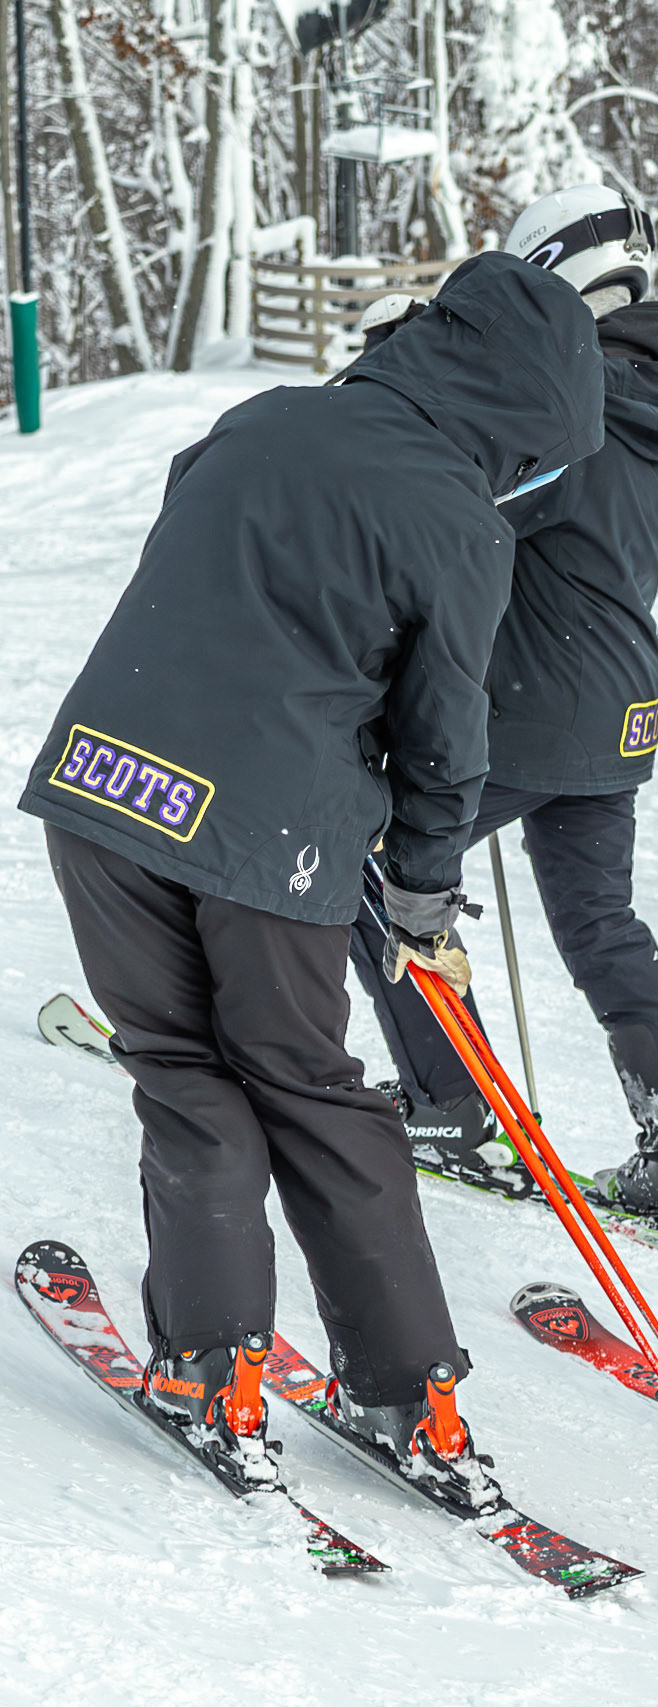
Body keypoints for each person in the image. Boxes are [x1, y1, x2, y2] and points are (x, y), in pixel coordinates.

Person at [16, 251, 603, 1499]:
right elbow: (447, 738)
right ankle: (408, 1390)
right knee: (312, 1087)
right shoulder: (459, 518)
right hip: (268, 837)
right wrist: (426, 892)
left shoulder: (266, 417)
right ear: (519, 414)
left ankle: (212, 1366)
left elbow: (203, 562)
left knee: (184, 1071)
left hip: (107, 785)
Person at [346, 184, 658, 1232]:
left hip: (536, 703)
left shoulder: (578, 409)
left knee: (374, 869)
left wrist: (401, 387)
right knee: (603, 927)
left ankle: (449, 1103)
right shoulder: (647, 400)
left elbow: (457, 498)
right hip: (615, 709)